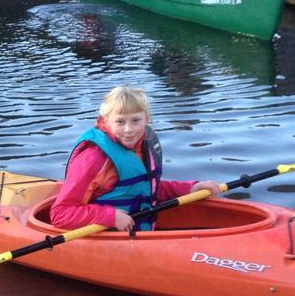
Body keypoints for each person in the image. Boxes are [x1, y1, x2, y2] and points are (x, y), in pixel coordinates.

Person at [50, 86, 223, 232]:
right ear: (106, 121)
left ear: (147, 118)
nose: (128, 130)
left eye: (135, 120)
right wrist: (109, 217)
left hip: (138, 233)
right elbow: (60, 214)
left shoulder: (143, 146)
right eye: (120, 122)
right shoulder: (93, 159)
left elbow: (144, 188)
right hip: (107, 235)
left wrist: (190, 188)